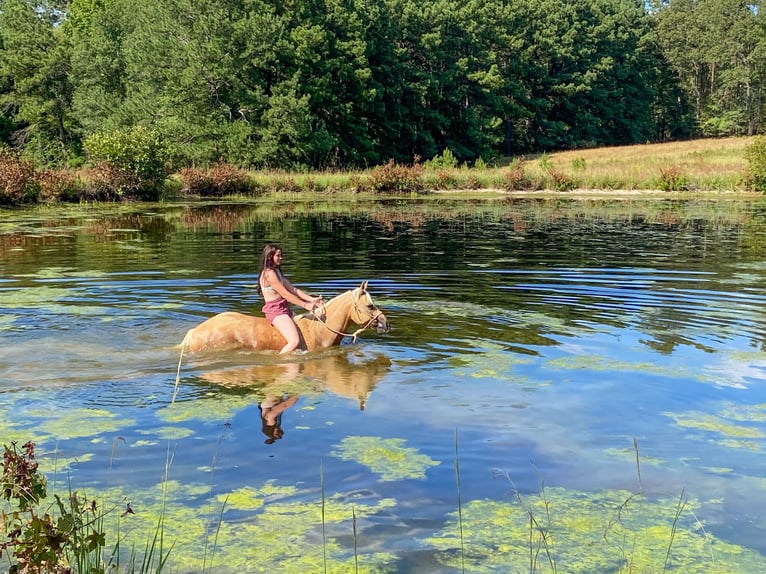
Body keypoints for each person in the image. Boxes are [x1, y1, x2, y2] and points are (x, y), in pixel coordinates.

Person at [258, 243, 322, 354]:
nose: (281, 258)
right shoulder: (269, 274)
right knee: (294, 341)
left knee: (304, 333)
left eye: (281, 255)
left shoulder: (276, 271)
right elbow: (286, 294)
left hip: (284, 308)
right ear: (270, 257)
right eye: (278, 255)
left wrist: (311, 299)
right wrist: (305, 305)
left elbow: (293, 289)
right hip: (275, 311)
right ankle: (280, 362)